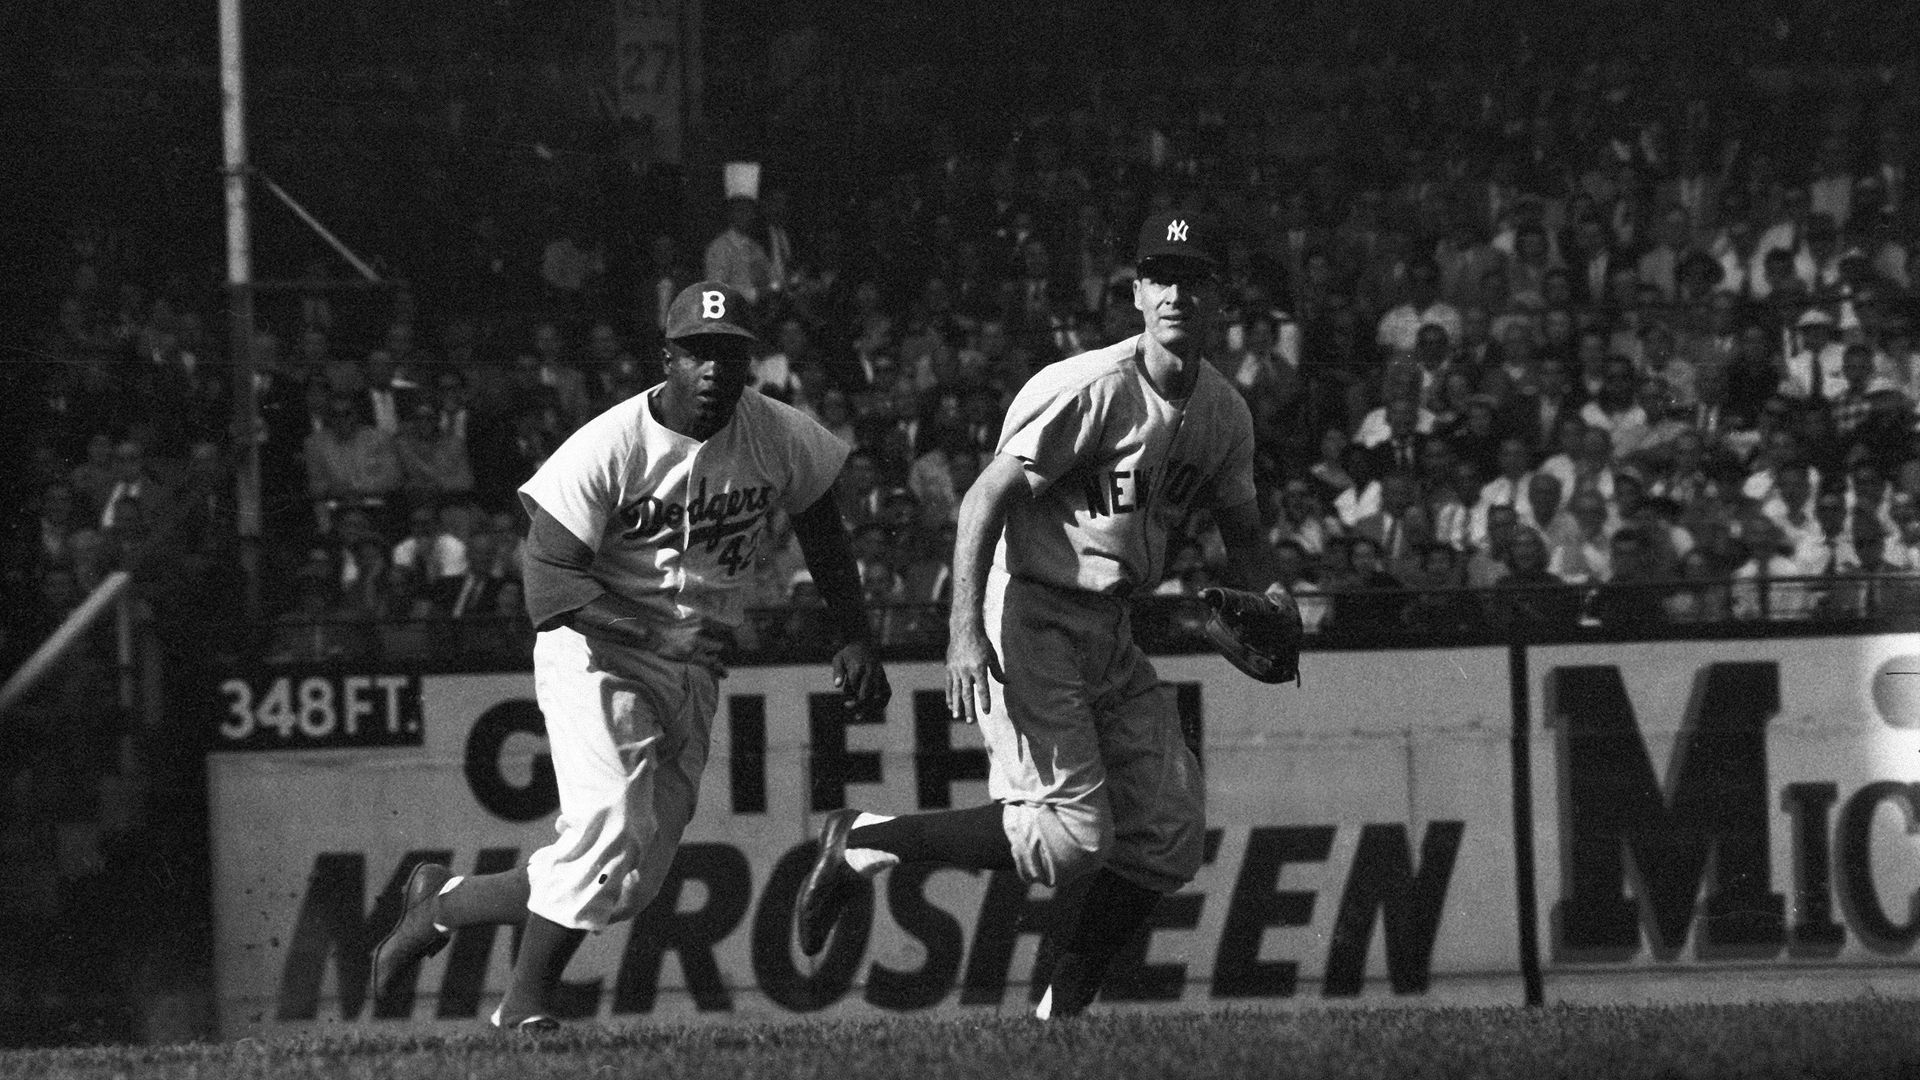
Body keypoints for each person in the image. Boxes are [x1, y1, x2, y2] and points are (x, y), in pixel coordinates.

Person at [792, 212, 1286, 1019]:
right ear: (1136, 294)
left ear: (1217, 298)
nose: (1176, 293)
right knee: (1070, 840)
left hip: (1110, 622)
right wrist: (961, 629)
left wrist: (1274, 599)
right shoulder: (1090, 389)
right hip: (1031, 606)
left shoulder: (1226, 413)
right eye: (1160, 276)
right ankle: (864, 841)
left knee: (1167, 834)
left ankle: (1059, 1020)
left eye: (1193, 278)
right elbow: (984, 498)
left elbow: (1245, 534)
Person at [368, 281, 891, 1031]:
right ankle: (523, 1010)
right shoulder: (609, 446)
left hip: (694, 661)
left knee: (633, 881)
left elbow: (823, 529)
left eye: (731, 356)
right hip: (598, 650)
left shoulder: (778, 433)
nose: (715, 371)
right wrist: (657, 636)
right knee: (609, 824)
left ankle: (445, 903)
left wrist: (854, 634)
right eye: (699, 354)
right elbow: (546, 585)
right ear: (667, 359)